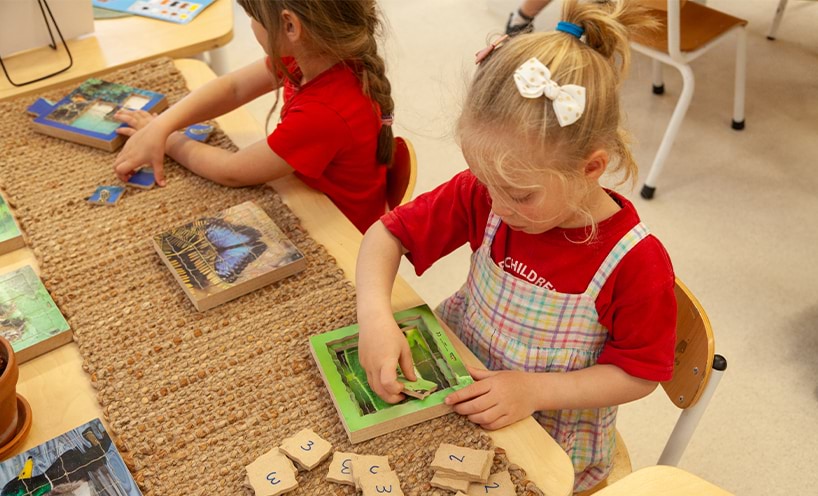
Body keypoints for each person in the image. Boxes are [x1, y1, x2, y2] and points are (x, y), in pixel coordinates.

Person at [355, 0, 674, 492]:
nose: (498, 207)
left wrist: (535, 390)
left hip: (550, 438)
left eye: (521, 195)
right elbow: (386, 234)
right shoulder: (487, 191)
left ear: (591, 167)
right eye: (486, 182)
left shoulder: (635, 263)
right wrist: (375, 316)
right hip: (461, 391)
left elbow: (640, 373)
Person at [112, 0, 395, 234]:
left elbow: (232, 171)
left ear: (290, 26)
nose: (250, 24)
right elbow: (233, 88)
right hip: (312, 198)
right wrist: (162, 125)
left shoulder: (325, 113)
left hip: (340, 234)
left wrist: (170, 141)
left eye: (252, 16)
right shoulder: (319, 52)